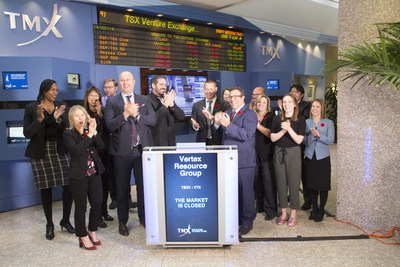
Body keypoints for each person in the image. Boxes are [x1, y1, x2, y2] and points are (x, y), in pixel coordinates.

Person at [104, 71, 156, 236]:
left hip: (142, 151)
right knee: (122, 189)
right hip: (121, 153)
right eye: (122, 80)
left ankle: (143, 217)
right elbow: (109, 125)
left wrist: (138, 115)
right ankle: (122, 222)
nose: (125, 83)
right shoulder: (112, 101)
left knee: (143, 187)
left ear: (134, 82)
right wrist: (125, 114)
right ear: (119, 83)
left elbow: (153, 120)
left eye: (128, 80)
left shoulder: (144, 99)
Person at [23, 79, 75, 240]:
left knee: (68, 186)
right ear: (44, 91)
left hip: (59, 150)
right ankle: (49, 224)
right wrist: (39, 120)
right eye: (52, 90)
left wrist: (58, 119)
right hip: (41, 152)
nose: (55, 93)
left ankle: (65, 220)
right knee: (46, 189)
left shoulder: (61, 105)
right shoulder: (32, 108)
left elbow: (67, 127)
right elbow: (27, 133)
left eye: (56, 90)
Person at [212, 87, 258, 235]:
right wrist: (217, 123)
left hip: (244, 161)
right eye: (230, 97)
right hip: (229, 160)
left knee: (246, 193)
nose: (232, 99)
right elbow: (220, 135)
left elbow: (245, 135)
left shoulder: (250, 114)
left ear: (243, 98)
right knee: (233, 192)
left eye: (236, 96)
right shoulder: (229, 114)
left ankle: (247, 221)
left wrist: (228, 125)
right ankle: (236, 218)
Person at [63, 105, 104, 250]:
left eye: (82, 115)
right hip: (78, 176)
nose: (80, 119)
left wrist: (94, 131)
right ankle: (82, 235)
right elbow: (75, 151)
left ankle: (92, 230)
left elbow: (101, 145)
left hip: (94, 172)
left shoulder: (90, 130)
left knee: (98, 202)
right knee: (81, 207)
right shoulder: (68, 134)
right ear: (71, 119)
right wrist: (89, 136)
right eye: (77, 116)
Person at [271, 93, 305, 227]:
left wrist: (289, 128)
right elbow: (273, 138)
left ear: (295, 104)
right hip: (279, 152)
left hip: (294, 153)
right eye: (284, 102)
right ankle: (284, 213)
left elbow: (299, 140)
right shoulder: (276, 119)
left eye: (289, 102)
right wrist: (283, 132)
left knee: (294, 184)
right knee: (281, 184)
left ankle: (293, 215)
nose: (286, 105)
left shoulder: (300, 120)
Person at [83, 86, 114, 228]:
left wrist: (101, 114)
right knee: (96, 187)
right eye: (92, 95)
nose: (94, 98)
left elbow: (109, 130)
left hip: (105, 152)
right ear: (87, 97)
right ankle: (96, 215)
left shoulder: (103, 111)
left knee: (105, 184)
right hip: (92, 154)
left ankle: (104, 211)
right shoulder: (83, 113)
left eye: (97, 95)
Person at [303, 99, 334, 222]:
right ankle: (314, 209)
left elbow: (331, 140)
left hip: (323, 157)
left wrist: (319, 135)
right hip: (310, 157)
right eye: (313, 106)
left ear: (322, 109)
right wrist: (311, 137)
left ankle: (321, 211)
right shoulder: (307, 122)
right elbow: (304, 141)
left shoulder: (328, 123)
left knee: (323, 186)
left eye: (317, 107)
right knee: (312, 185)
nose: (314, 109)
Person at [253, 95, 277, 220]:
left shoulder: (271, 116)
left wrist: (257, 125)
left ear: (267, 104)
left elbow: (269, 133)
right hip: (254, 153)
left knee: (268, 182)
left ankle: (271, 210)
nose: (261, 104)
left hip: (267, 153)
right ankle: (260, 206)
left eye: (263, 102)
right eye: (259, 102)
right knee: (257, 181)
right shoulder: (252, 115)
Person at [289, 84, 311, 210]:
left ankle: (308, 200)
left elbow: (302, 120)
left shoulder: (306, 106)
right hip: (288, 144)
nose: (293, 93)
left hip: (301, 145)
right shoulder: (286, 105)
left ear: (302, 94)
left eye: (296, 92)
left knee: (304, 174)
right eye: (292, 91)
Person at [147, 75, 185, 146]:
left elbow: (181, 116)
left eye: (165, 85)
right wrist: (165, 105)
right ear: (153, 85)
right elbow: (153, 120)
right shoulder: (146, 100)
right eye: (161, 84)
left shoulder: (167, 98)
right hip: (155, 145)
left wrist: (172, 104)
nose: (164, 87)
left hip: (170, 144)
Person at [191, 80, 230, 145]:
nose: (209, 92)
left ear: (216, 89)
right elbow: (192, 121)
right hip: (202, 142)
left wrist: (212, 117)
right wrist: (195, 125)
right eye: (206, 89)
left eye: (211, 89)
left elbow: (226, 123)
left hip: (219, 141)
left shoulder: (224, 104)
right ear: (204, 89)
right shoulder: (197, 105)